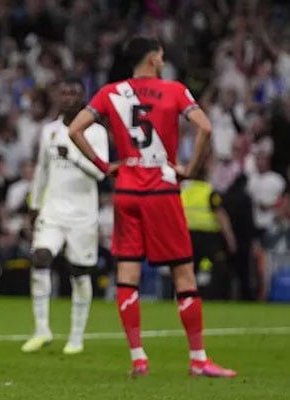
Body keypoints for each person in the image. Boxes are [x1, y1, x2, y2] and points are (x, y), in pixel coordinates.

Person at [68, 36, 236, 377]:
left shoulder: (110, 92)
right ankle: (199, 359)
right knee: (183, 273)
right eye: (161, 54)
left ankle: (138, 358)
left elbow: (75, 130)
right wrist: (189, 169)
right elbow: (204, 126)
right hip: (161, 191)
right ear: (154, 59)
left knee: (127, 273)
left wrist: (105, 166)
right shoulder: (174, 90)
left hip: (127, 189)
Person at [21, 77, 108, 355]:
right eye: (64, 92)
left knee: (79, 273)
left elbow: (101, 171)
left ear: (83, 98)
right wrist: (35, 206)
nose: (68, 96)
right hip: (53, 210)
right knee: (40, 257)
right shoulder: (49, 131)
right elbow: (42, 171)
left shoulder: (95, 133)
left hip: (83, 213)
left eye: (74, 92)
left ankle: (76, 336)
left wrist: (73, 156)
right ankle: (41, 329)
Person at [180, 162, 237, 299]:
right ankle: (215, 296)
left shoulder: (185, 193)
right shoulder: (209, 192)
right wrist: (231, 240)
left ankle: (187, 297)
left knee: (188, 270)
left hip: (189, 237)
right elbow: (221, 216)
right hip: (209, 238)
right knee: (219, 267)